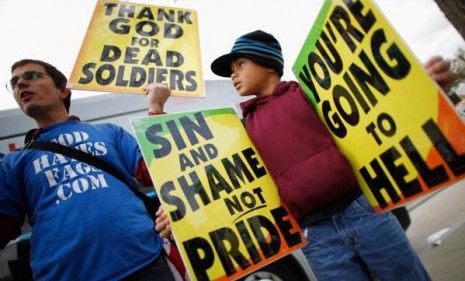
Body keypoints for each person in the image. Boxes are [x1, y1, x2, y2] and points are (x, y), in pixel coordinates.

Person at [209, 30, 457, 281]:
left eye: (240, 64)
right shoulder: (244, 127)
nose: (233, 73)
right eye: (232, 69)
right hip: (316, 237)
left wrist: (417, 86)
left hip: (363, 211)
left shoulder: (310, 92)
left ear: (268, 64)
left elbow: (370, 105)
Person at [0, 59, 175, 281]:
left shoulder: (109, 132)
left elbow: (158, 172)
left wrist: (156, 109)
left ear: (63, 90)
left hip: (145, 263)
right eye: (14, 82)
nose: (20, 84)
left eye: (32, 76)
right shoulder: (14, 162)